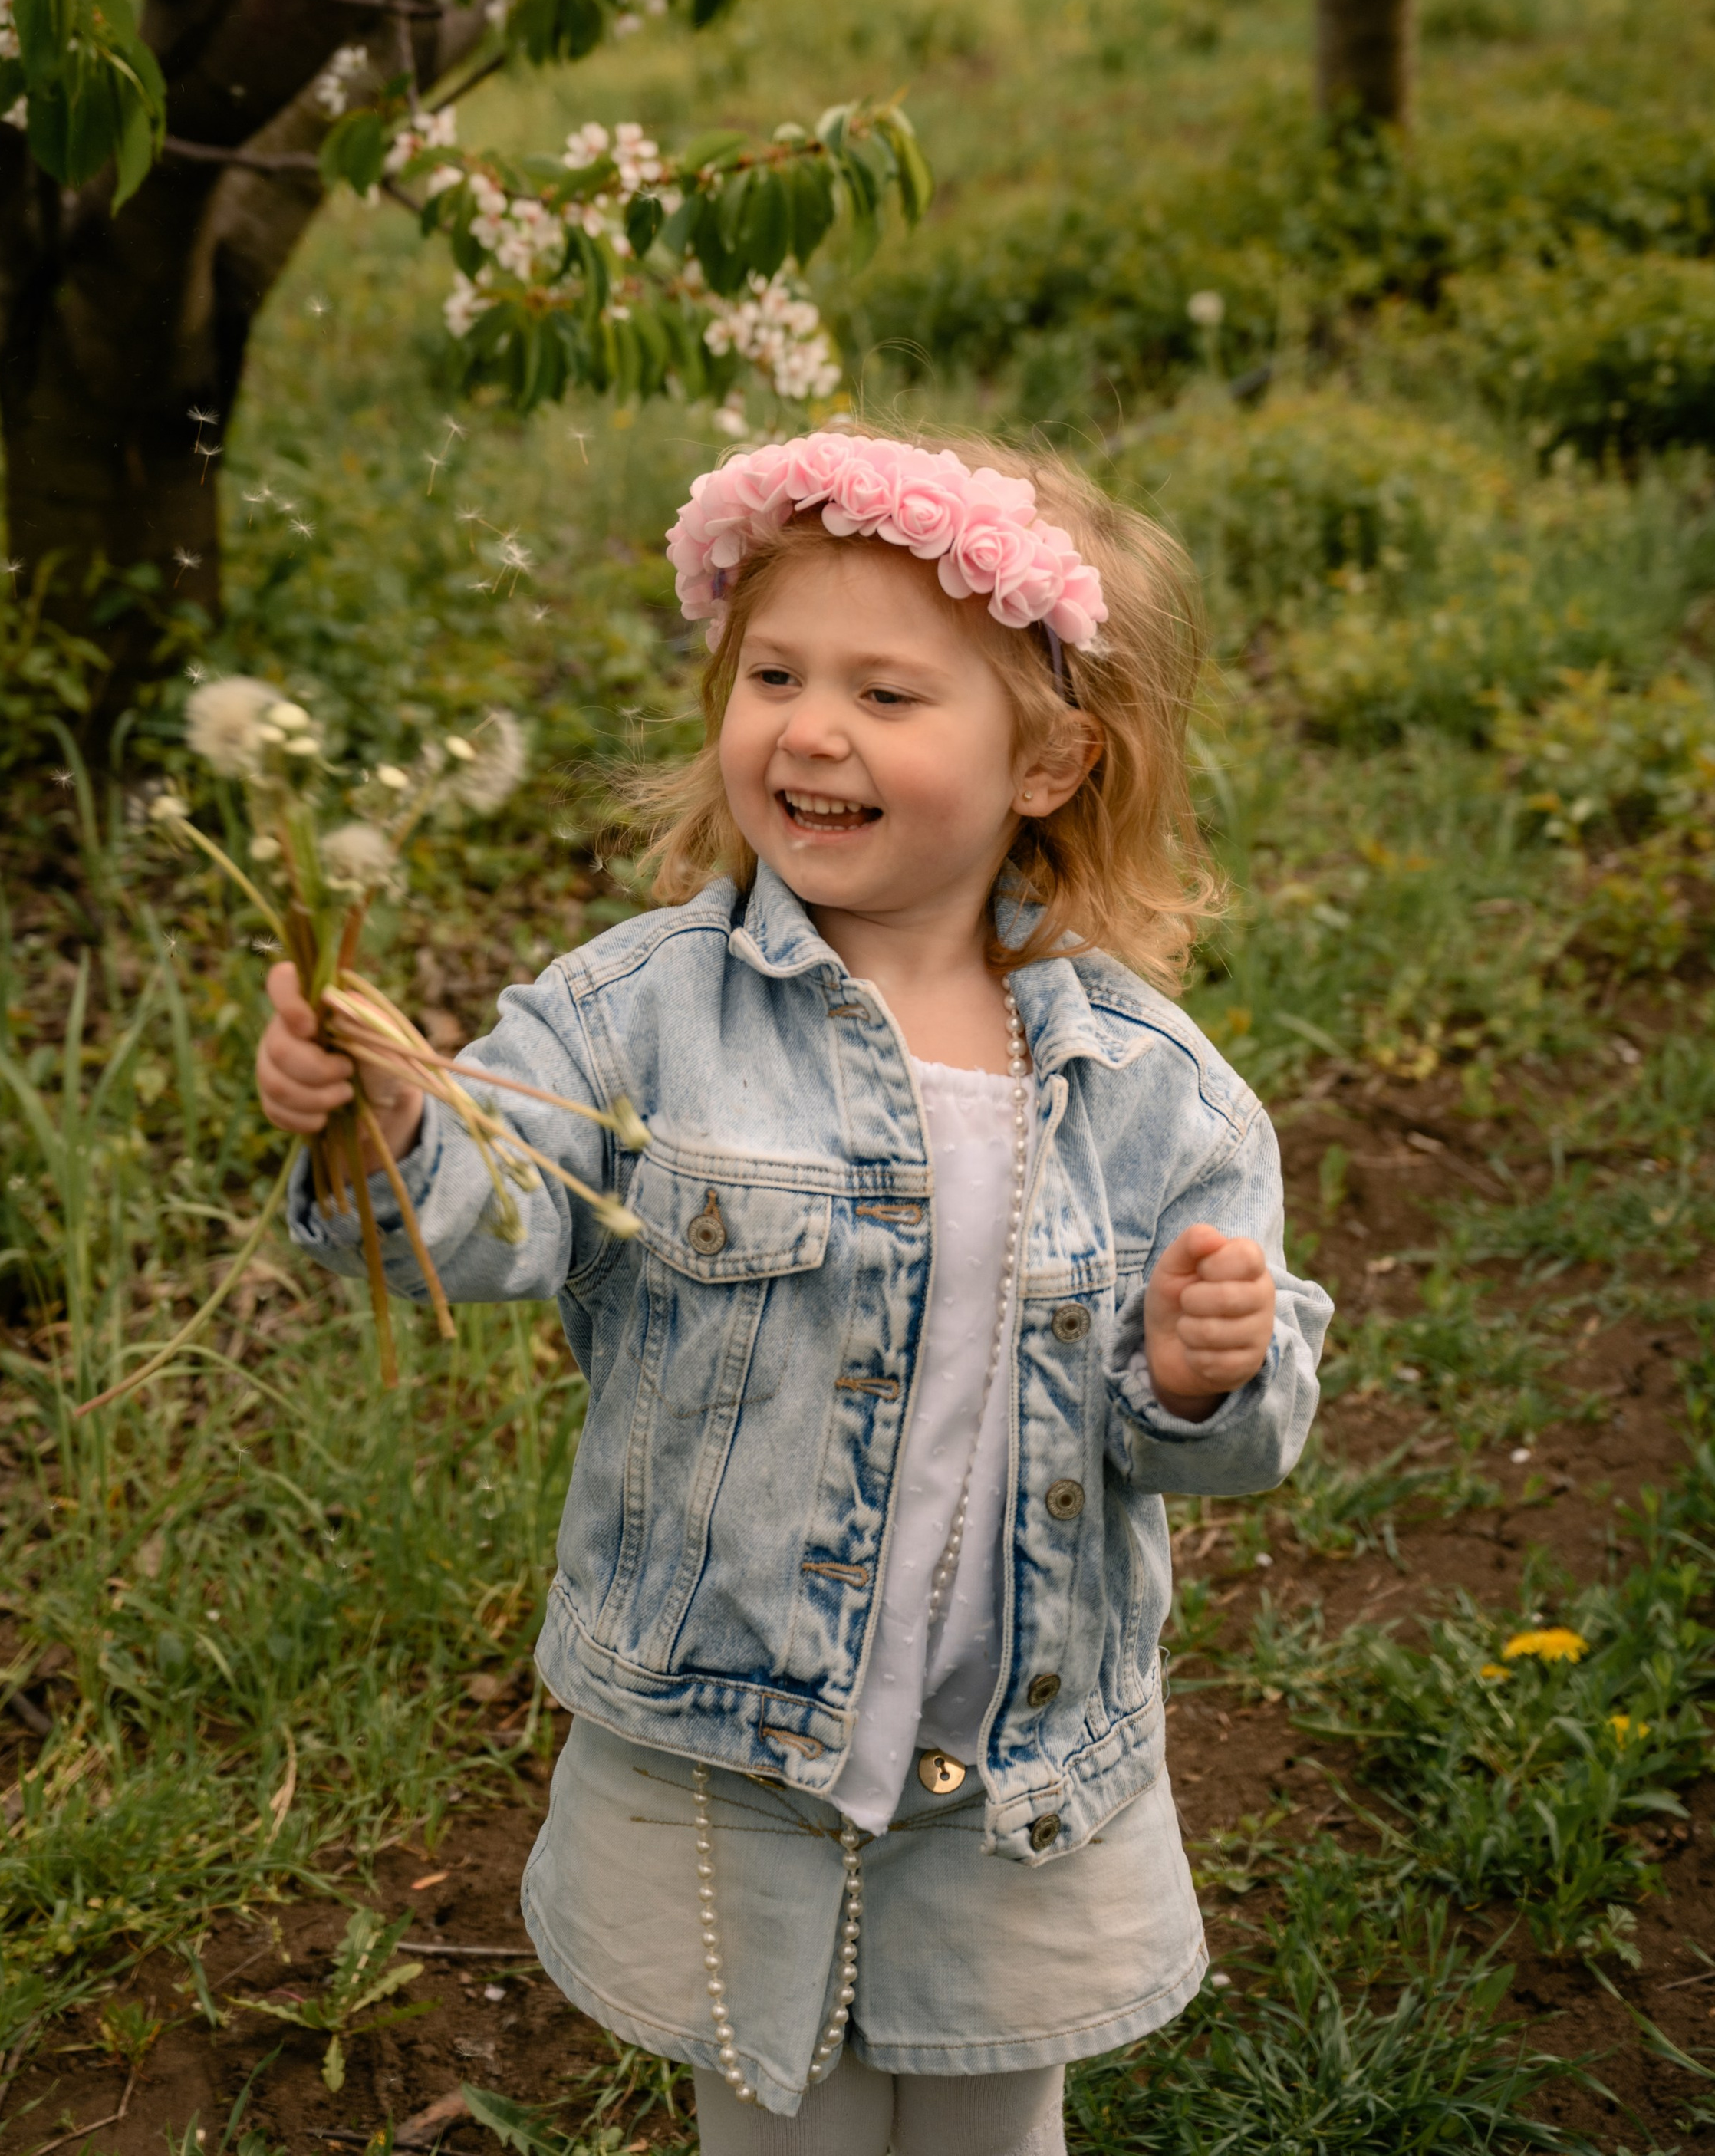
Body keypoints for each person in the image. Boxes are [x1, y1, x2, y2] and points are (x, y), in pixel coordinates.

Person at [257, 426, 1331, 2156]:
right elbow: (490, 1215)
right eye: (773, 675)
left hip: (1008, 1765)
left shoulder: (1158, 1098)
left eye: (885, 695)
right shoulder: (636, 1017)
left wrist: (1205, 1369)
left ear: (1049, 760)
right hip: (733, 1746)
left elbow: (1206, 1445)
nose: (810, 729)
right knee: (777, 2118)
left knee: (992, 2121)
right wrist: (383, 1125)